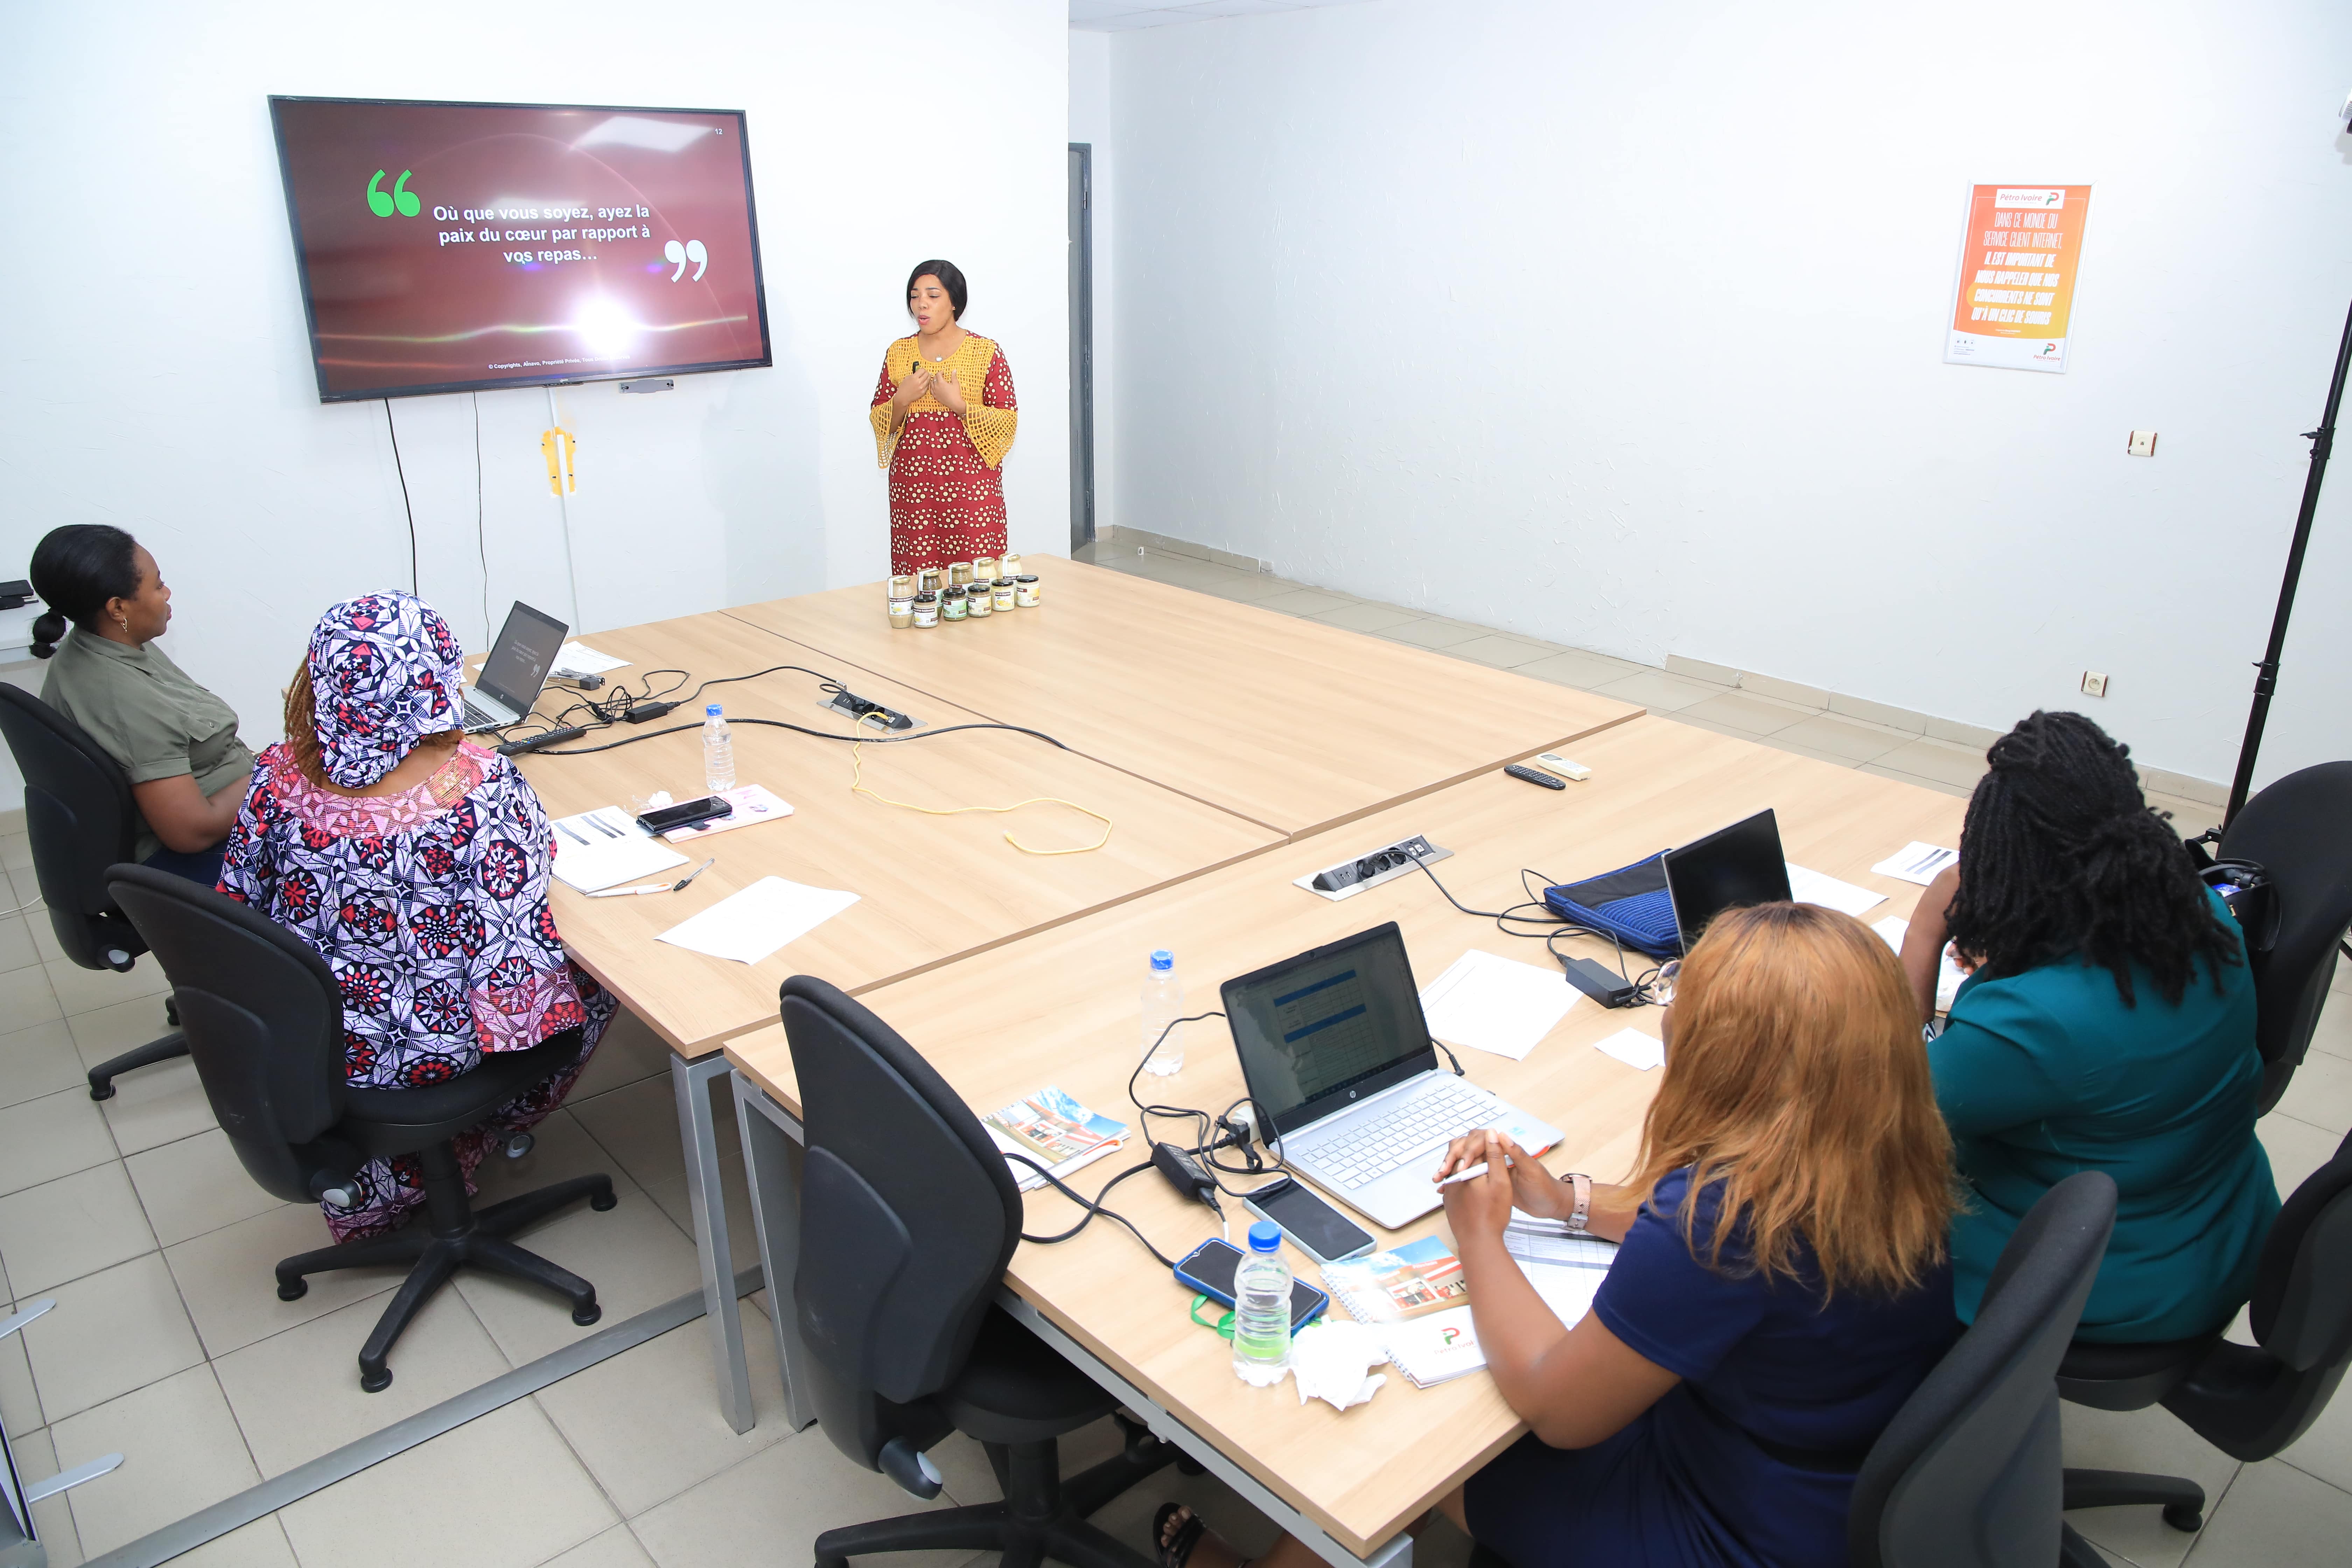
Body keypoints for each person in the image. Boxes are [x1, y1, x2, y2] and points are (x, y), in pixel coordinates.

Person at [1159, 902, 1961, 1568]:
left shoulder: (1716, 1220)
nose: (1670, 1009)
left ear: (1727, 1055)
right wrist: (1565, 1203)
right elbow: (1735, 1244)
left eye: (1682, 995)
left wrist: (1478, 1234)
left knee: (1412, 1453)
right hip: (1828, 1481)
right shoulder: (1880, 1144)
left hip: (1729, 1528)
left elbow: (1557, 1408)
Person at [216, 592, 616, 1241]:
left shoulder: (277, 774)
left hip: (306, 1036)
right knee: (596, 975)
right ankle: (487, 1127)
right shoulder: (479, 787)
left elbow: (235, 907)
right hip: (421, 1051)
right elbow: (516, 956)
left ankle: (408, 1167)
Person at [1899, 709, 2276, 1343]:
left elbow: (1892, 1106)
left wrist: (1924, 932)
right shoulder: (2197, 910)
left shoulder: (2032, 1026)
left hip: (2111, 1280)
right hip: (2218, 1223)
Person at [28, 524, 254, 883]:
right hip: (187, 859)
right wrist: (274, 780)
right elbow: (191, 832)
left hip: (228, 798)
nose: (167, 592)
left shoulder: (108, 642)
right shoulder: (119, 696)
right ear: (118, 608)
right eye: (157, 585)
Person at [868, 259, 1019, 574]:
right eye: (915, 296)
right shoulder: (898, 353)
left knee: (976, 574)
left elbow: (1007, 422)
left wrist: (960, 406)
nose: (921, 304)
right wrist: (902, 399)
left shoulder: (985, 352)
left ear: (954, 301)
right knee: (920, 579)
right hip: (914, 489)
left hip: (972, 487)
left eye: (933, 295)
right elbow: (881, 423)